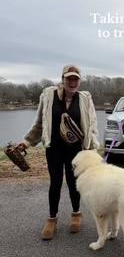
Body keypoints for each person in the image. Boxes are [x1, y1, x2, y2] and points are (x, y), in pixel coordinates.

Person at [17, 65, 99, 240]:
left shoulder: (85, 99)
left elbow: (92, 126)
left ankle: (76, 214)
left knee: (73, 182)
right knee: (55, 182)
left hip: (76, 150)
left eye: (75, 79)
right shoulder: (48, 96)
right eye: (68, 78)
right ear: (62, 79)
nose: (72, 82)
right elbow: (39, 124)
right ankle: (52, 219)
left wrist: (92, 147)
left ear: (79, 81)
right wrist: (27, 142)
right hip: (54, 148)